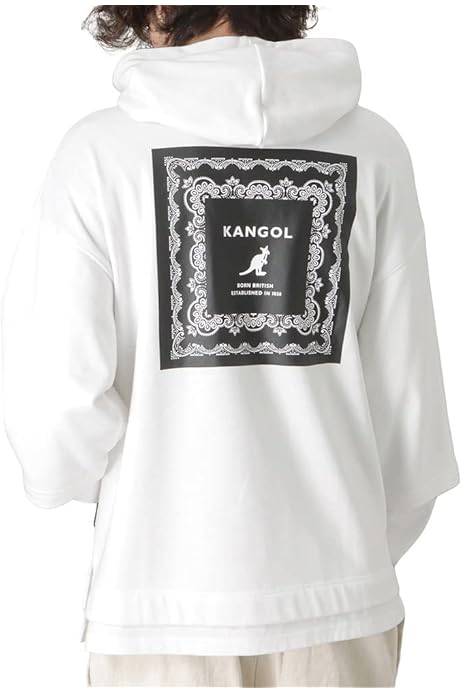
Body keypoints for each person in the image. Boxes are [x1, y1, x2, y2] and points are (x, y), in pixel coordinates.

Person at [1, 4, 459, 688]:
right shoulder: (375, 149)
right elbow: (410, 419)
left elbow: (55, 420)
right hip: (342, 611)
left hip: (159, 613)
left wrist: (140, 483)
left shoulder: (98, 155)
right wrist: (344, 562)